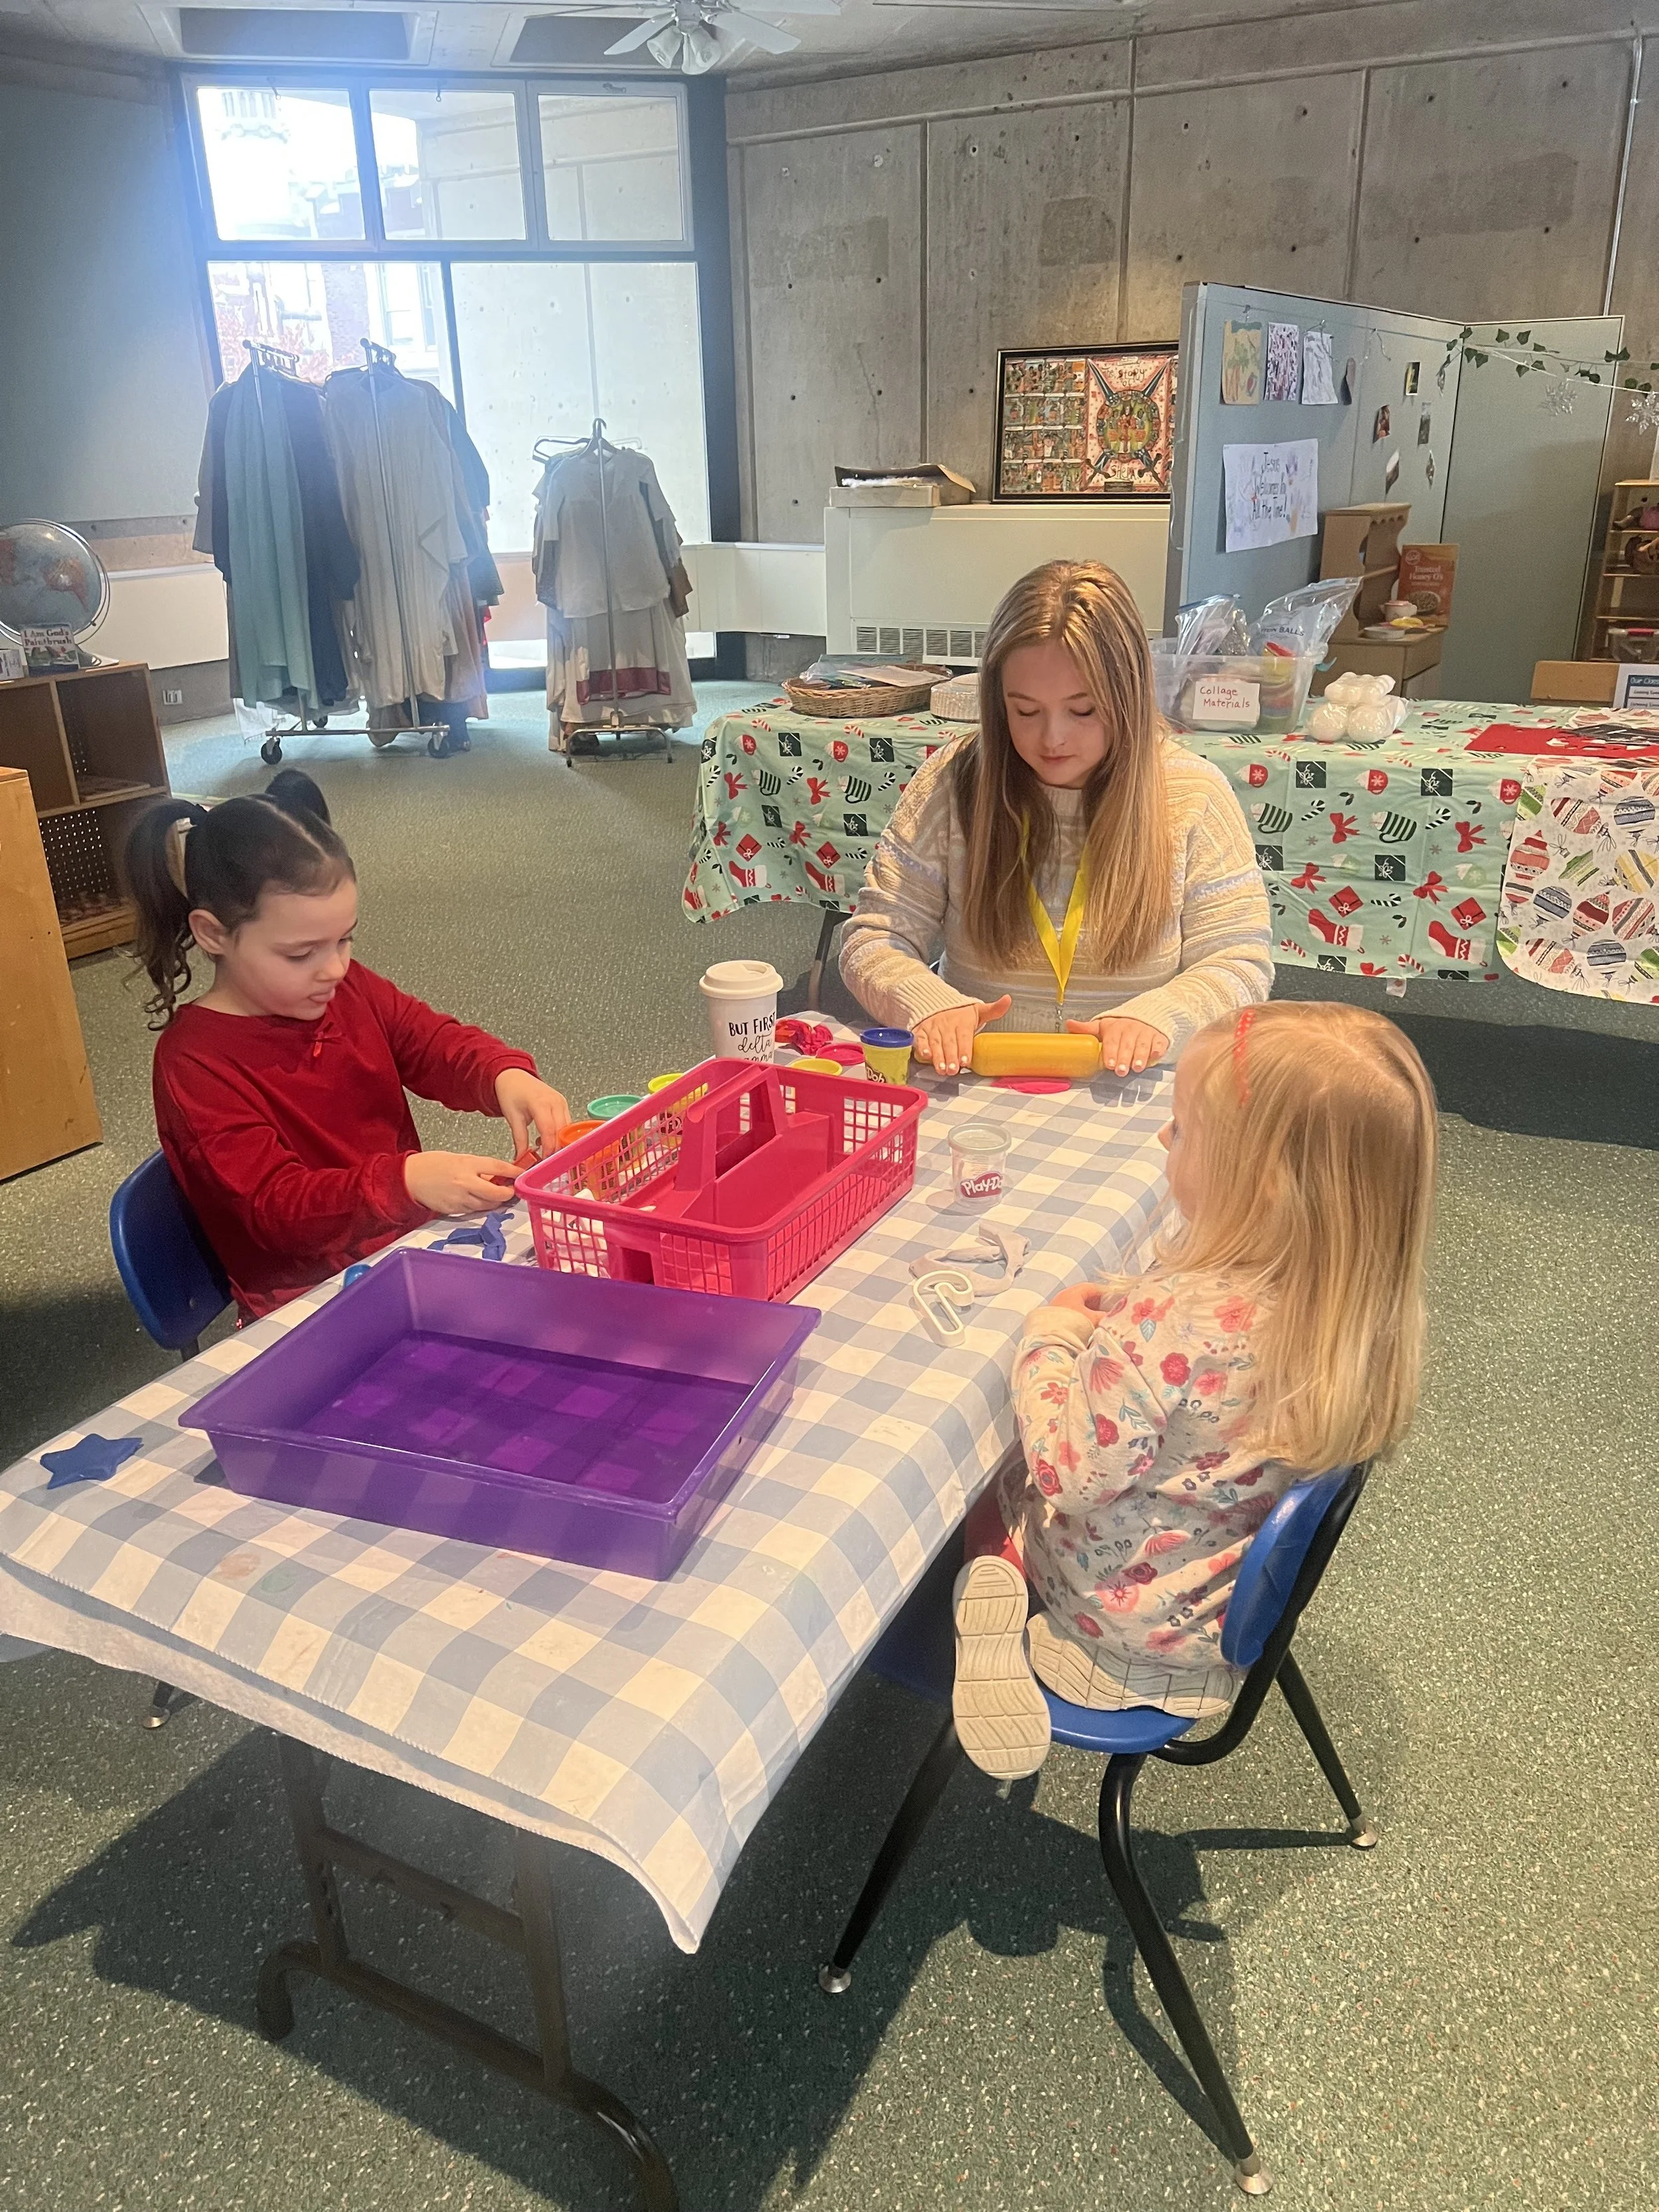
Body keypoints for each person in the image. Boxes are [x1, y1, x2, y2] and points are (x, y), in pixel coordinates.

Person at [950, 1001, 1437, 1779]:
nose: (1162, 1139)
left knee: (987, 1487)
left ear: (1259, 1181)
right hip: (1215, 1611)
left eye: (1181, 1129)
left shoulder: (1168, 1320)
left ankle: (996, 1599)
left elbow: (1067, 1476)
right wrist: (1123, 1325)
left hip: (1112, 1629)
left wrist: (1047, 1338)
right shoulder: (1356, 1310)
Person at [124, 771, 571, 1320]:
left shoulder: (344, 987)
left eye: (345, 939)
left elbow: (429, 1042)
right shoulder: (194, 1063)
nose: (334, 968)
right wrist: (405, 1181)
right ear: (213, 934)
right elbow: (276, 1210)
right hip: (311, 1306)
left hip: (407, 1249)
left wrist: (504, 1074)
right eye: (300, 953)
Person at [839, 561, 1271, 1077]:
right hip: (977, 1079)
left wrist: (1159, 1018)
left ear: (1128, 696)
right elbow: (873, 938)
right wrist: (926, 1001)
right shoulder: (955, 782)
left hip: (1128, 1087)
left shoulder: (1192, 794)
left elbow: (1240, 962)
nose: (1052, 739)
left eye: (1083, 710)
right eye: (1025, 711)